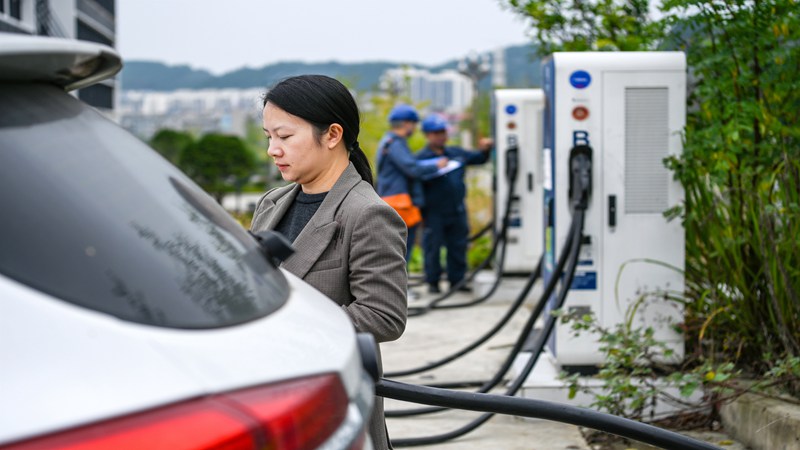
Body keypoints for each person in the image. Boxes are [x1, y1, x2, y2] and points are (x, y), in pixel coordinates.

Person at [250, 75, 406, 450]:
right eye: (269, 137)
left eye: (285, 137)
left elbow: (384, 315)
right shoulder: (272, 203)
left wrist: (285, 327)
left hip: (329, 407)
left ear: (332, 135)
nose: (273, 149)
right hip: (267, 397)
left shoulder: (366, 214)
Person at [416, 113, 493, 294]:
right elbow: (415, 180)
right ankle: (433, 282)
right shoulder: (420, 159)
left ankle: (457, 281)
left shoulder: (456, 153)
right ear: (427, 135)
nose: (440, 136)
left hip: (457, 209)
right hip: (433, 211)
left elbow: (479, 159)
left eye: (442, 132)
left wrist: (485, 149)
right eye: (435, 133)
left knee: (458, 245)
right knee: (433, 247)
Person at [375, 104, 447, 263]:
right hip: (400, 203)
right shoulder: (395, 143)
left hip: (396, 201)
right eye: (414, 124)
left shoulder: (388, 141)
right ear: (407, 123)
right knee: (401, 251)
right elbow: (411, 168)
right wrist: (436, 165)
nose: (414, 128)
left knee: (397, 251)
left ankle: (401, 286)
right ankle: (400, 287)